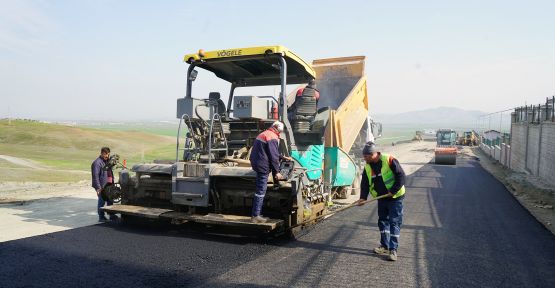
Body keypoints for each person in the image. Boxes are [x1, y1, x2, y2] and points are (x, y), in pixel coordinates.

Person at [355, 141, 406, 261]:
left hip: (395, 197)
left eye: (366, 156)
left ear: (374, 154)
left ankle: (393, 249)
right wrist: (363, 197)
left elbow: (401, 176)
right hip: (382, 197)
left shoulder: (389, 160)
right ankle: (384, 245)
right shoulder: (368, 166)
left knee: (394, 222)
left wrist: (393, 191)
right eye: (364, 156)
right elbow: (365, 183)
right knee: (383, 221)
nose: (364, 158)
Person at [249, 121, 291, 223]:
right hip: (262, 165)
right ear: (276, 128)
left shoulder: (264, 133)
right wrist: (277, 172)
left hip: (257, 163)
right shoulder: (272, 136)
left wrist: (282, 157)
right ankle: (255, 216)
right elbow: (273, 156)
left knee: (260, 189)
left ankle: (257, 213)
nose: (279, 134)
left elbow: (270, 152)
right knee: (261, 190)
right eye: (279, 132)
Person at [91, 147, 118, 222]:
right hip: (102, 185)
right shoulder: (97, 163)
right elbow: (95, 176)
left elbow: (108, 170)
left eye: (108, 154)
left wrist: (113, 164)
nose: (107, 156)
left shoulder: (107, 161)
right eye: (105, 154)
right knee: (102, 201)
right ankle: (101, 217)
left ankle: (111, 215)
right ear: (102, 153)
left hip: (109, 184)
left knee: (110, 200)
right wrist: (98, 188)